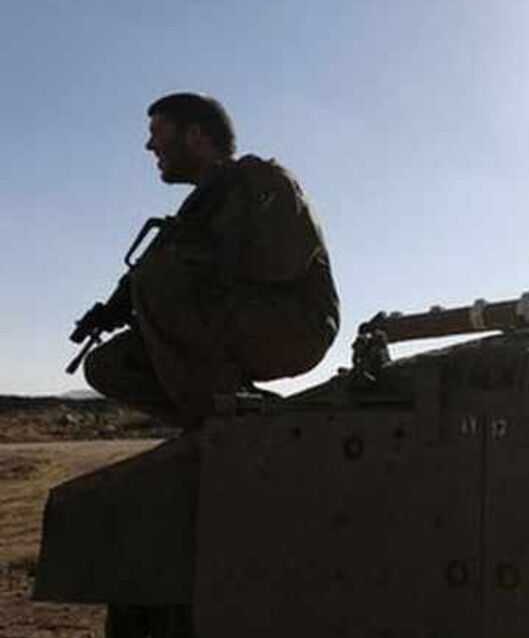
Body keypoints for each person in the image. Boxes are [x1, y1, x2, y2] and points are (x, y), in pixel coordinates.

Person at [82, 93, 339, 428]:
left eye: (159, 132)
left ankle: (230, 418)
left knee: (158, 275)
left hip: (297, 324)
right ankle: (238, 421)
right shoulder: (200, 205)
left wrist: (188, 266)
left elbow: (283, 263)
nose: (150, 145)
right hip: (237, 321)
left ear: (195, 135)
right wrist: (124, 308)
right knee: (109, 364)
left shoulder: (260, 179)